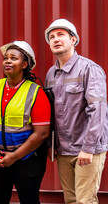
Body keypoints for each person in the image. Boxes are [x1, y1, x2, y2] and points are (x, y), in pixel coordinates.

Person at [0, 41, 51, 204]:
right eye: (5, 58)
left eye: (14, 58)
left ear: (25, 64)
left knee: (29, 200)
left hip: (27, 159)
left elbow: (42, 133)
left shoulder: (35, 92)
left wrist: (14, 156)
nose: (8, 61)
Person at [45, 19, 108, 204]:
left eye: (61, 35)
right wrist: (52, 144)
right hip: (64, 149)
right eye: (51, 37)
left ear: (73, 39)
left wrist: (88, 149)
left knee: (85, 201)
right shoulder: (51, 73)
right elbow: (52, 113)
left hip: (87, 149)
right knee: (71, 200)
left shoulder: (90, 69)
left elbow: (98, 110)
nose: (55, 39)